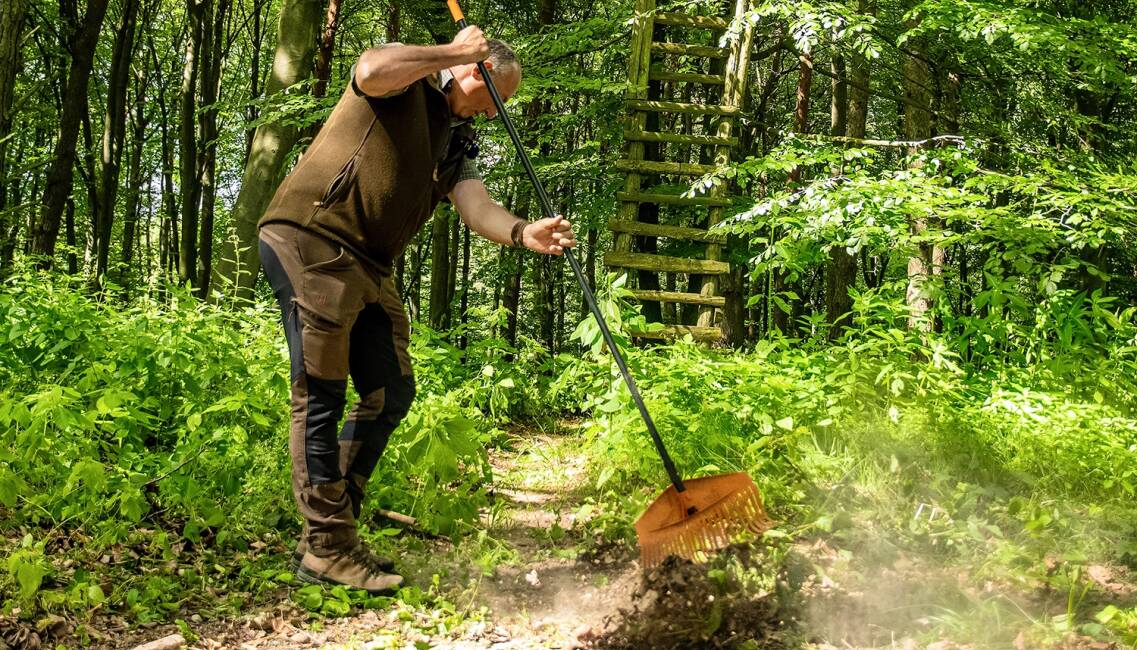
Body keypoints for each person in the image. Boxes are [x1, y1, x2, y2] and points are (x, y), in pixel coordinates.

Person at [256, 25, 574, 593]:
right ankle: (325, 549)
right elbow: (370, 69)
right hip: (314, 239)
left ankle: (337, 532)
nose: (496, 115)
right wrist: (453, 51)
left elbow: (475, 205)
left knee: (389, 390)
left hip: (370, 265)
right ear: (474, 71)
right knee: (321, 394)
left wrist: (524, 232)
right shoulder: (407, 83)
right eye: (497, 98)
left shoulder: (454, 135)